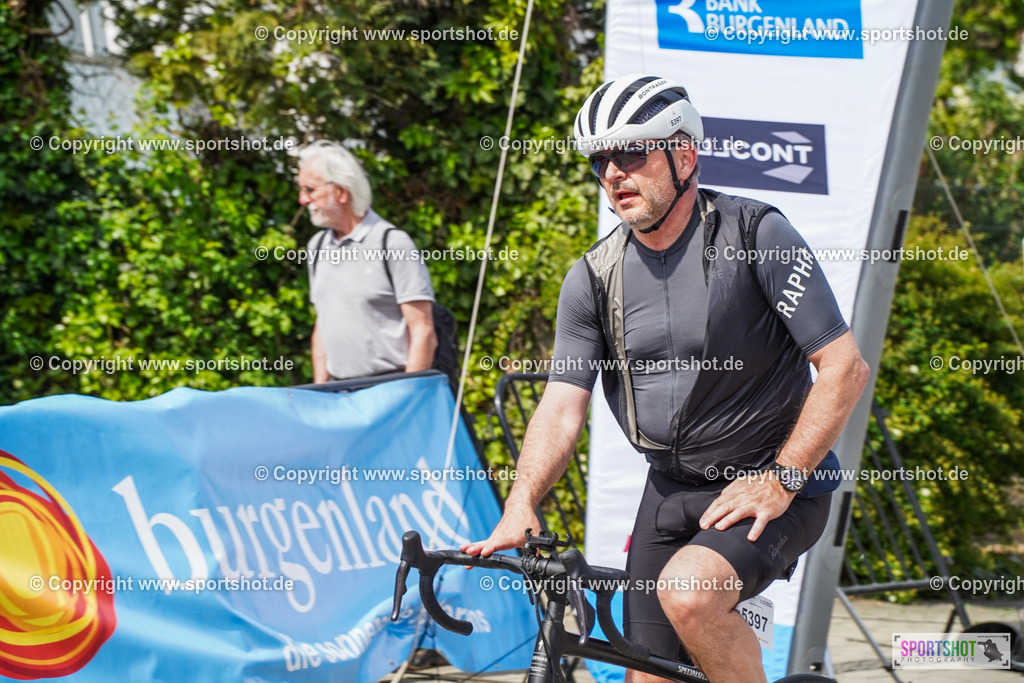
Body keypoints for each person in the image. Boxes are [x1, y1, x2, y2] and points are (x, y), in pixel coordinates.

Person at [461, 75, 870, 682]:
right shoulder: (593, 277)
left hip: (771, 485)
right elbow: (561, 406)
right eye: (600, 160)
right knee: (646, 674)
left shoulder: (757, 234)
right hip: (669, 494)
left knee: (690, 593)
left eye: (631, 153)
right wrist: (522, 501)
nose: (613, 173)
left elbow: (844, 367)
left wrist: (783, 478)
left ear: (684, 154)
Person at [297, 140, 437, 383]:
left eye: (310, 190)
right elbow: (323, 323)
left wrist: (408, 395)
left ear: (341, 192)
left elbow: (423, 330)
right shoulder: (317, 246)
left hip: (390, 386)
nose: (303, 199)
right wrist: (320, 391)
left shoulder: (392, 243)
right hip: (339, 391)